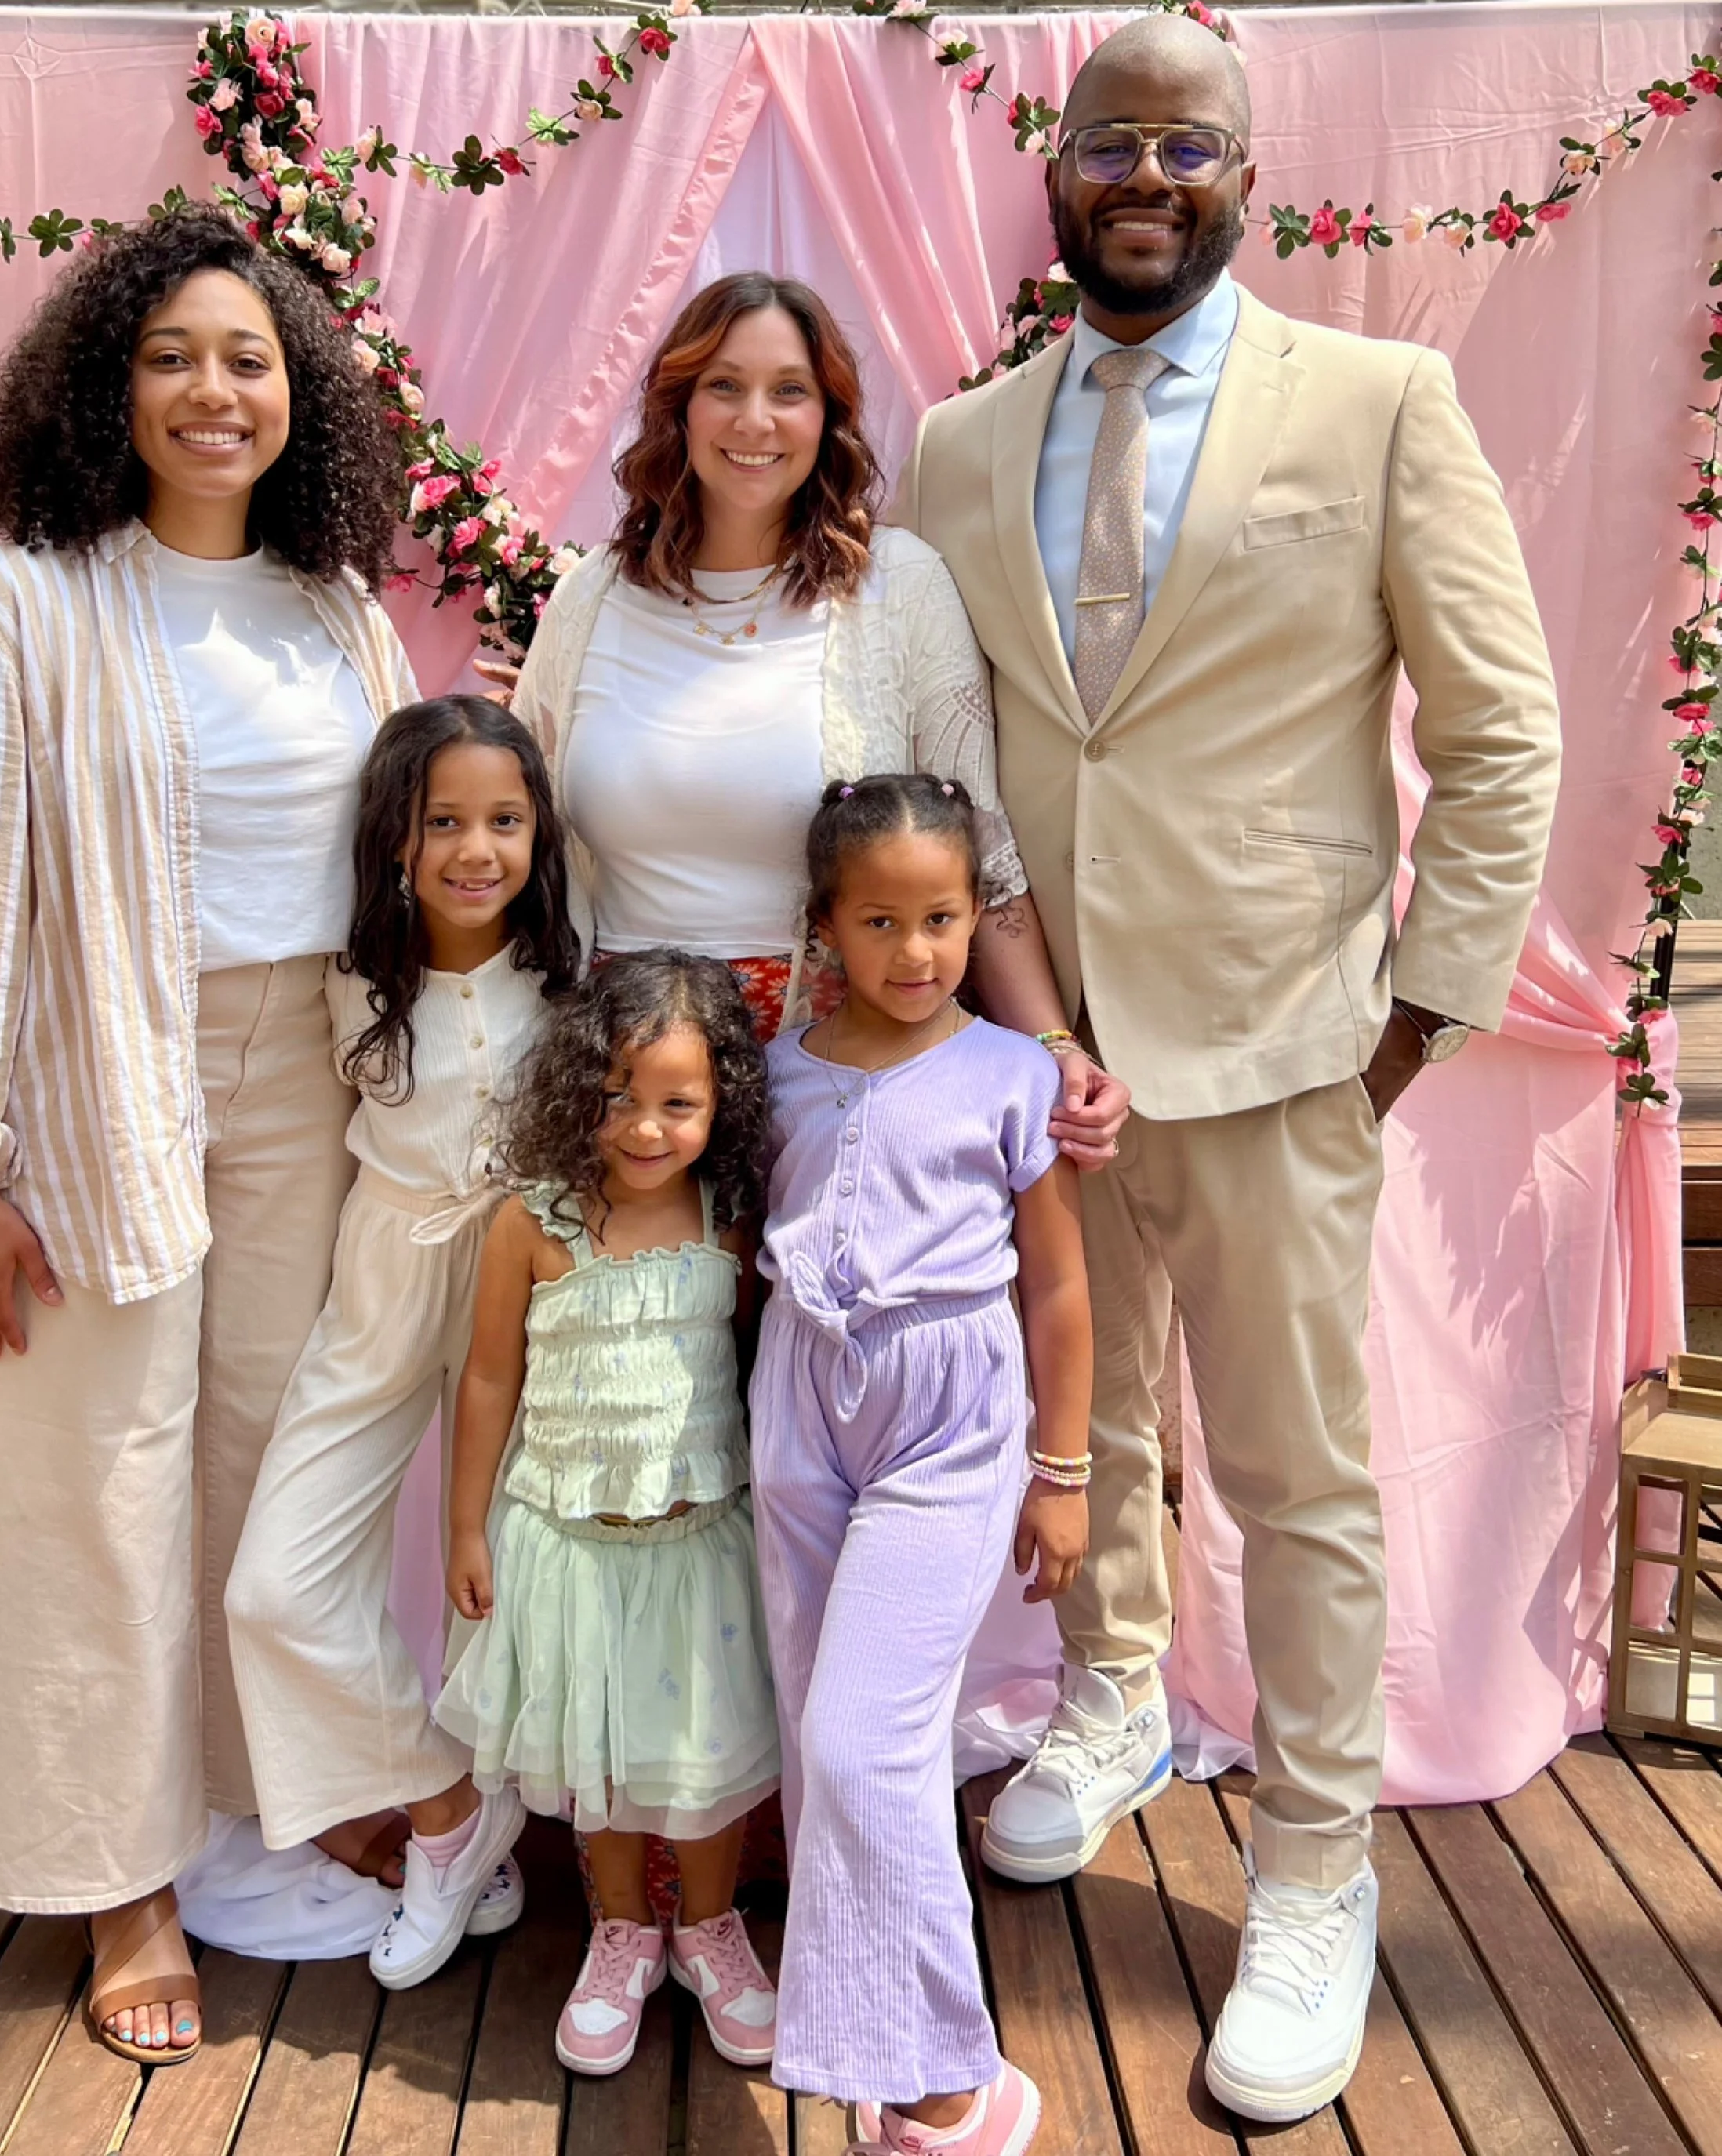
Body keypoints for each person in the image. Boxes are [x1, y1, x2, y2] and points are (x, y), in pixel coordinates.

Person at [896, 13, 1561, 2125]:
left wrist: (1412, 1019)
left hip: (1284, 1050)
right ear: (1055, 169)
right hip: (1036, 1048)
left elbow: (1500, 727)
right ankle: (1104, 1698)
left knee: (1300, 1478)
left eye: (1186, 144)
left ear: (1240, 173)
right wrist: (983, 1024)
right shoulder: (952, 446)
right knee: (1083, 1419)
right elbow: (954, 741)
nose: (1144, 177)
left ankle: (1308, 1861)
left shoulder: (1379, 403)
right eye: (1109, 142)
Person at [0, 205, 420, 2064]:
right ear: (110, 387)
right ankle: (117, 1870)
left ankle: (279, 1784)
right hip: (100, 1076)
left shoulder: (341, 609)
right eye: (174, 356)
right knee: (102, 1476)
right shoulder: (20, 601)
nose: (214, 389)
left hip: (314, 1072)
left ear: (302, 397)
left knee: (280, 1459)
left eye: (251, 359)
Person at [510, 271, 1128, 1163]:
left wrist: (1053, 1045)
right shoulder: (592, 597)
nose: (754, 420)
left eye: (788, 391)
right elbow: (526, 844)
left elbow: (979, 849)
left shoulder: (898, 586)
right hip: (626, 1083)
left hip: (847, 1076)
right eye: (723, 386)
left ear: (827, 418)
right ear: (678, 408)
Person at [751, 774, 1092, 2156]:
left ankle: (958, 2076)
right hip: (796, 1406)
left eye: (942, 917)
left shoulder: (1014, 1074)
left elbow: (1060, 1292)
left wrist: (1060, 1470)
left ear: (974, 916)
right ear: (826, 926)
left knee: (865, 1739)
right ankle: (869, 2053)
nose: (916, 951)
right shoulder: (773, 1073)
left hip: (950, 1412)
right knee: (814, 1745)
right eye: (881, 921)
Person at [223, 695, 579, 1987]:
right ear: (393, 838)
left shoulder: (566, 979)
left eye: (504, 819)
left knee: (505, 1580)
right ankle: (443, 1810)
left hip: (530, 1284)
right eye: (444, 822)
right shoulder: (347, 975)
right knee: (277, 1589)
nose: (476, 849)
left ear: (540, 831)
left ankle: (512, 1842)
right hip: (382, 1271)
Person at [432, 952, 782, 2078]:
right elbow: (488, 1379)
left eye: (678, 1102)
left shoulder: (729, 1220)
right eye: (618, 1095)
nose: (644, 1126)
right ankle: (624, 1930)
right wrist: (467, 1526)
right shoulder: (532, 1226)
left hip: (698, 1547)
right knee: (602, 1753)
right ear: (576, 1090)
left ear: (719, 1102)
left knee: (707, 1755)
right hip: (572, 1547)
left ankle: (711, 1929)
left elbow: (746, 1361)